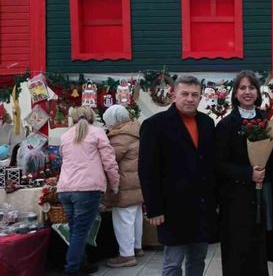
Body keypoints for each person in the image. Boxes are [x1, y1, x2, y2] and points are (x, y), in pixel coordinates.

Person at [138, 75, 218, 276]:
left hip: (201, 207)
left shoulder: (207, 123)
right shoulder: (155, 125)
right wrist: (154, 208)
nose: (190, 99)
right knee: (173, 263)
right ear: (174, 95)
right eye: (185, 94)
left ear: (200, 98)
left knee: (198, 260)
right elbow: (147, 169)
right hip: (172, 207)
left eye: (195, 95)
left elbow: (211, 164)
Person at [215, 71, 273, 275]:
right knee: (238, 250)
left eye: (251, 88)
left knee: (260, 249)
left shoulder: (267, 122)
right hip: (236, 199)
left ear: (257, 92)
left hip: (263, 196)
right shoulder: (226, 125)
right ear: (235, 93)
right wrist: (247, 174)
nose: (247, 92)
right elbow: (218, 164)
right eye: (242, 88)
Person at [57, 106, 119, 276]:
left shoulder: (65, 136)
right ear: (93, 117)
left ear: (73, 118)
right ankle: (72, 269)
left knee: (75, 229)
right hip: (87, 188)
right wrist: (114, 184)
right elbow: (109, 162)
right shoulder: (98, 133)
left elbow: (65, 160)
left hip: (65, 189)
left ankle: (82, 264)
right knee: (80, 231)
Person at [102, 104, 144, 268]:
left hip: (124, 183)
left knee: (123, 219)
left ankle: (126, 255)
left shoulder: (120, 137)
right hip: (136, 181)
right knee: (135, 216)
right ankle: (137, 247)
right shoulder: (135, 131)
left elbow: (110, 160)